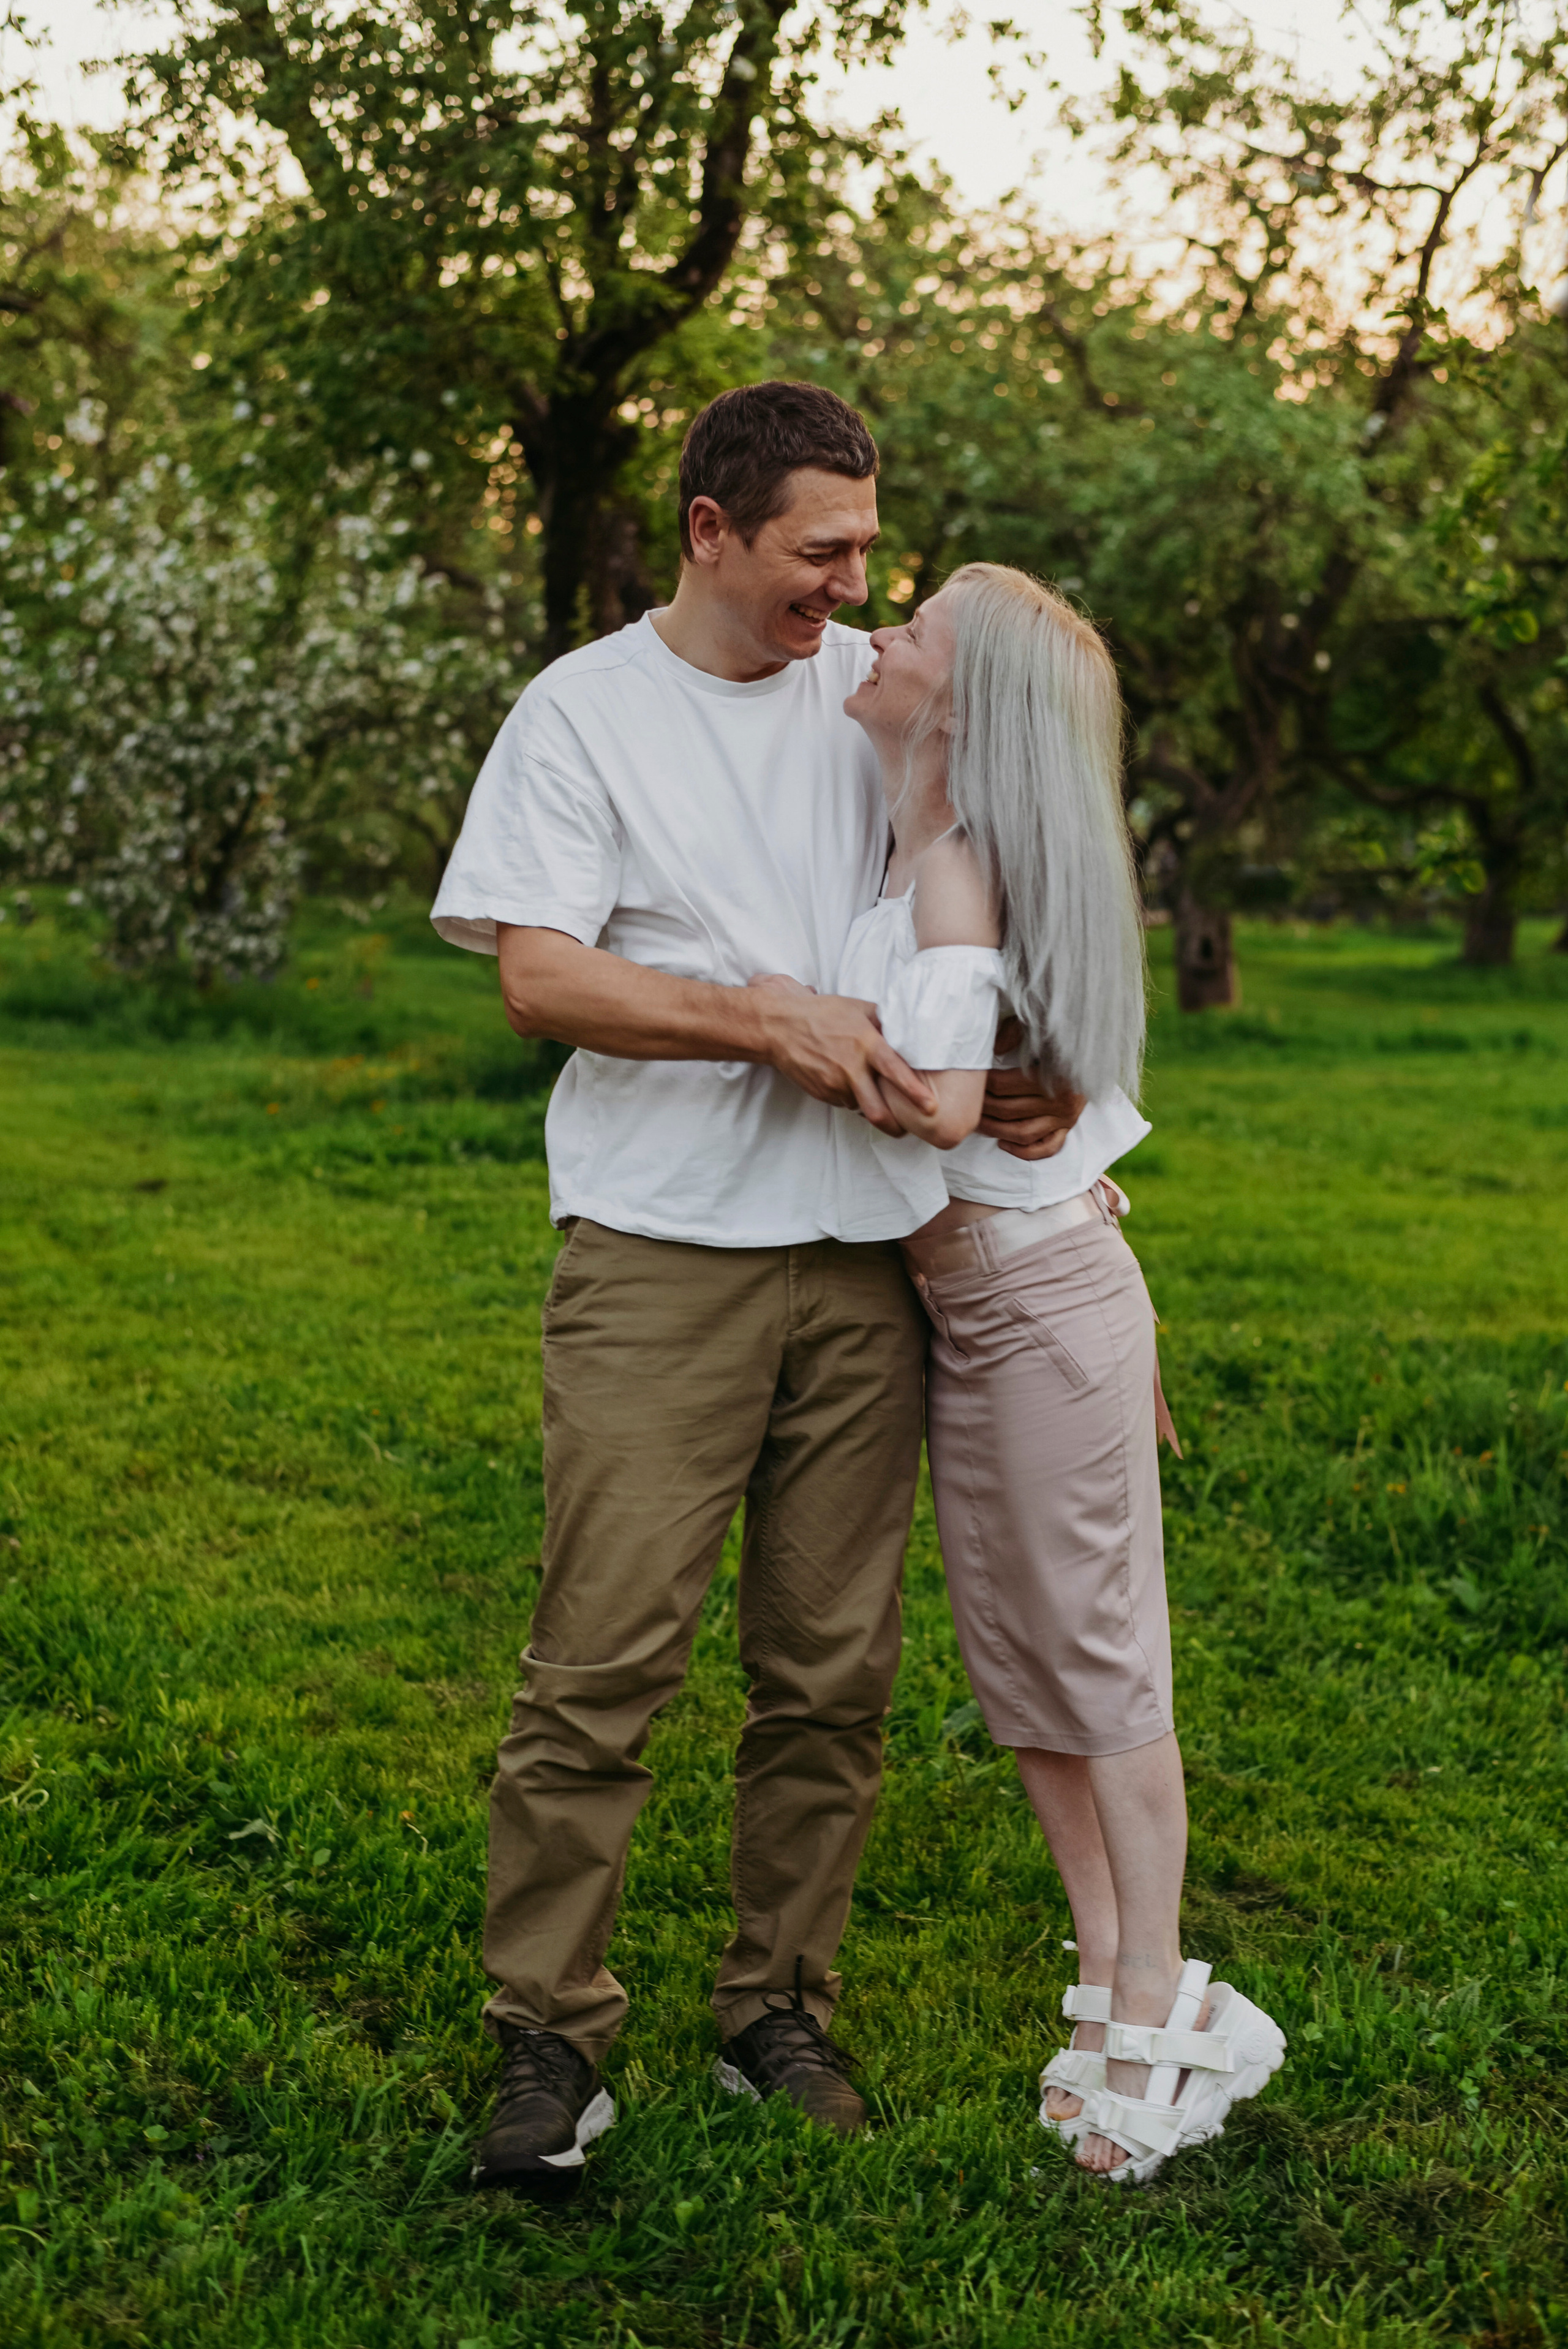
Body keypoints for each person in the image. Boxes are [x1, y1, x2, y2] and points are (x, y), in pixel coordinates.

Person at [429, 384, 1076, 2201]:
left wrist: (1026, 1066)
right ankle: (550, 2038)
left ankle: (775, 2001)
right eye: (821, 549)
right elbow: (542, 978)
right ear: (710, 528)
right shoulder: (582, 714)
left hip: (873, 1259)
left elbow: (999, 899)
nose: (854, 583)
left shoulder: (884, 693)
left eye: (869, 546)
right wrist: (760, 1016)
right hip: (660, 1259)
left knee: (832, 1675)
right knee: (602, 1664)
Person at [761, 561, 1287, 2183]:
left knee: (1104, 1662)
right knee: (1024, 1668)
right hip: (987, 1310)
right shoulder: (920, 828)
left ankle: (1163, 2004)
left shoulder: (964, 861)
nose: (873, 634)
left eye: (905, 628)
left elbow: (937, 1092)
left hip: (1035, 1300)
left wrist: (819, 1035)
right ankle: (1112, 1972)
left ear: (963, 700)